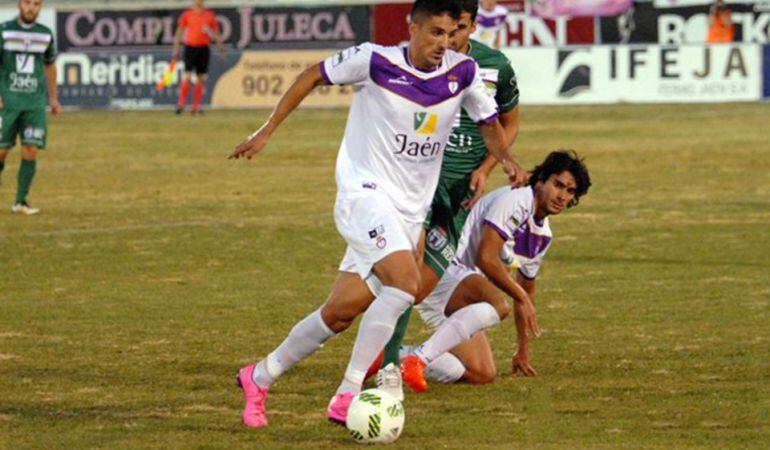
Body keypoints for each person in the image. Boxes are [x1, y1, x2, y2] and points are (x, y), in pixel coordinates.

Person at [228, 0, 530, 429]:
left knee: (339, 313)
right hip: (364, 195)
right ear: (412, 27)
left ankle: (259, 376)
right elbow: (313, 74)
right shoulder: (374, 61)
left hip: (409, 212)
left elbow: (487, 120)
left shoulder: (461, 73)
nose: (444, 43)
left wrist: (506, 159)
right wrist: (266, 130)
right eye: (435, 33)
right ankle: (348, 392)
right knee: (406, 283)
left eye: (451, 34)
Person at [371, 0, 522, 400]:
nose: (450, 37)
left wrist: (488, 167)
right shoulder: (422, 62)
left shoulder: (493, 66)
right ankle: (383, 364)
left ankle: (397, 354)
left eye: (459, 28)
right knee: (408, 281)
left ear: (472, 26)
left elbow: (511, 122)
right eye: (444, 29)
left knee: (477, 367)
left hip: (458, 196)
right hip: (418, 183)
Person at [400, 150, 592, 392]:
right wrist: (520, 296)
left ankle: (395, 357)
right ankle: (417, 360)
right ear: (541, 179)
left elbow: (526, 291)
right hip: (443, 269)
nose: (562, 196)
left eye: (570, 191)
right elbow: (487, 258)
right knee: (498, 304)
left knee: (481, 373)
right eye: (558, 185)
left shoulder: (542, 236)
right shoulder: (519, 198)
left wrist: (522, 350)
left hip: (461, 289)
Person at [0, 0, 59, 215]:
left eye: (36, 4)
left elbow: (50, 65)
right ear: (19, 5)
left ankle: (20, 201)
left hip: (33, 103)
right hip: (7, 103)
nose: (31, 8)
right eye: (27, 3)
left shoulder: (45, 34)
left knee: (31, 148)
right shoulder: (4, 31)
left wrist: (53, 98)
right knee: (2, 151)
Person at [172, 0, 224, 115]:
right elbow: (179, 32)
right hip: (190, 48)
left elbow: (216, 34)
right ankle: (180, 105)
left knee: (200, 78)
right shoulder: (187, 14)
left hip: (203, 49)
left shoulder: (209, 15)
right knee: (187, 76)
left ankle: (195, 107)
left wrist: (221, 48)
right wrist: (176, 48)